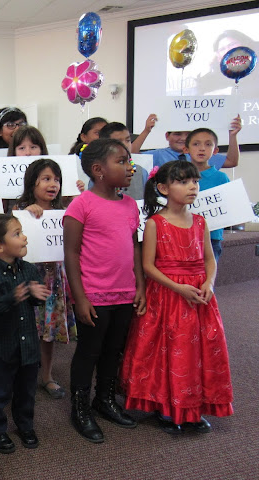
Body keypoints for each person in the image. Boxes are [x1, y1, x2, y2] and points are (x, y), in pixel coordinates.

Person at [120, 160, 233, 434]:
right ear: (163, 188)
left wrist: (209, 282)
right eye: (183, 182)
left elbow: (209, 259)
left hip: (198, 297)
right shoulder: (155, 223)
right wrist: (178, 288)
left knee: (197, 352)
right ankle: (167, 408)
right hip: (168, 297)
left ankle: (192, 408)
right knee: (168, 351)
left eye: (194, 181)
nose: (192, 187)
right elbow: (148, 266)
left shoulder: (200, 222)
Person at [63, 138, 146, 444]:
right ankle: (80, 408)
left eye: (129, 160)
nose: (130, 167)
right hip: (94, 294)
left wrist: (140, 285)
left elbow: (134, 248)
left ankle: (105, 399)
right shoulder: (81, 204)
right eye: (122, 161)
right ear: (98, 170)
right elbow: (71, 253)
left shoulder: (129, 205)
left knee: (114, 350)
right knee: (90, 351)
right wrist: (79, 297)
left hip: (125, 292)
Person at [0, 214, 50, 454]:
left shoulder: (28, 269)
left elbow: (37, 300)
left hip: (28, 344)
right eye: (17, 234)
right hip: (1, 345)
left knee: (27, 390)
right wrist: (12, 298)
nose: (24, 238)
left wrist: (38, 296)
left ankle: (25, 425)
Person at [15, 159, 76, 399]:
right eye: (46, 179)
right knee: (25, 328)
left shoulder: (64, 212)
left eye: (57, 180)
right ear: (33, 183)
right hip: (30, 280)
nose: (53, 185)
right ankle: (21, 374)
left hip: (54, 281)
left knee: (48, 332)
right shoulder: (21, 211)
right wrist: (27, 214)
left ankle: (47, 375)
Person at [185, 128, 231, 262]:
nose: (202, 148)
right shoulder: (178, 175)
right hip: (182, 236)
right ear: (186, 149)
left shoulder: (221, 178)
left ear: (215, 150)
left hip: (211, 238)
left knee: (208, 273)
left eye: (208, 144)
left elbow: (229, 207)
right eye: (196, 144)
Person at [137, 115, 242, 169]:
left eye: (188, 134)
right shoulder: (158, 155)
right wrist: (146, 130)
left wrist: (233, 136)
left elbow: (232, 161)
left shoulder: (201, 154)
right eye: (177, 134)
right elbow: (132, 156)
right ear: (167, 136)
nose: (183, 138)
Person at [98, 122, 149, 200]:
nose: (125, 145)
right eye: (118, 142)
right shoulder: (99, 173)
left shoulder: (141, 172)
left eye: (128, 140)